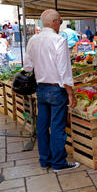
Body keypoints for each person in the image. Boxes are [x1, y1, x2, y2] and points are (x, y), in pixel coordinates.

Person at [23, 9, 79, 172]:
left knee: (42, 126)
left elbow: (27, 66)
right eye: (60, 22)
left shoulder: (33, 40)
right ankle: (58, 163)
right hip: (56, 89)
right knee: (57, 127)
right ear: (54, 22)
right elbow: (64, 71)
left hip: (41, 88)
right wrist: (70, 93)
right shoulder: (59, 41)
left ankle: (44, 160)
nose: (60, 25)